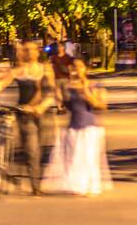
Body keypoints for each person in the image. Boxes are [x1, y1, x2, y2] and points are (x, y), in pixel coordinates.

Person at [0, 41, 58, 195]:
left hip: (42, 112)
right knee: (31, 149)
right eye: (27, 50)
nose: (30, 53)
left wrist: (42, 106)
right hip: (24, 113)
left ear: (38, 52)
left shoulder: (45, 69)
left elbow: (50, 90)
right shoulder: (18, 70)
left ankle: (33, 178)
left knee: (41, 148)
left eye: (32, 50)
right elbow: (1, 84)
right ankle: (35, 187)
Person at [43, 61, 112, 195]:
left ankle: (90, 186)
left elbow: (101, 105)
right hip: (73, 126)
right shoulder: (69, 88)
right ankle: (77, 185)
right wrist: (59, 97)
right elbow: (66, 106)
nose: (76, 70)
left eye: (80, 67)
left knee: (89, 157)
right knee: (74, 157)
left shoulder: (94, 85)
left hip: (90, 127)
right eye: (74, 67)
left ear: (86, 69)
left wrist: (86, 91)